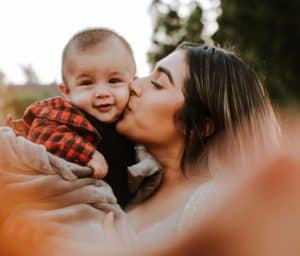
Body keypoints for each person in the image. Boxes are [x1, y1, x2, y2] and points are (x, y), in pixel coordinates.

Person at [0, 42, 281, 255]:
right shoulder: (125, 173)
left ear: (202, 125)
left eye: (158, 83)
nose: (134, 84)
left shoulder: (216, 206)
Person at [10, 28, 160, 208]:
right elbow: (42, 133)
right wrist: (87, 154)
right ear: (66, 91)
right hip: (67, 205)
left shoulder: (131, 119)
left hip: (116, 212)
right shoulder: (66, 112)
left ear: (132, 83)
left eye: (114, 81)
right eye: (87, 83)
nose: (102, 93)